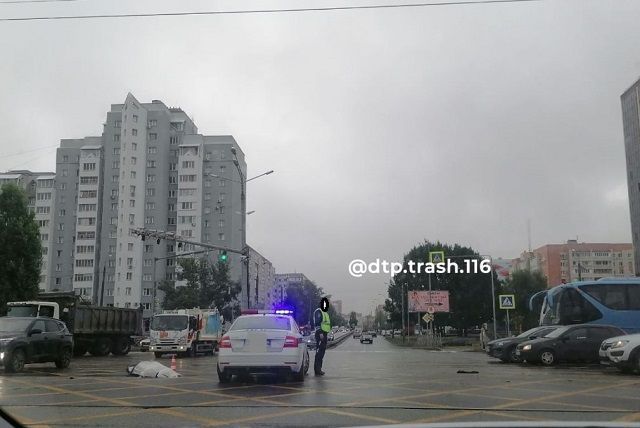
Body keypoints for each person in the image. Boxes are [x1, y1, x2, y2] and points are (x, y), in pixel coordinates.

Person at [313, 297, 331, 376]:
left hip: (324, 334)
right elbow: (317, 323)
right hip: (320, 333)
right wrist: (320, 332)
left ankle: (319, 368)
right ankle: (317, 369)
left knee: (322, 352)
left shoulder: (325, 313)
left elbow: (327, 324)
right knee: (319, 352)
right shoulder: (318, 311)